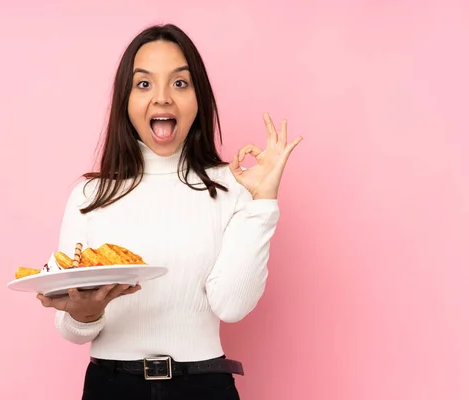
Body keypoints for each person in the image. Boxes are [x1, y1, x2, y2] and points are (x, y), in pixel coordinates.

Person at [36, 23, 302, 400]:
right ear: (125, 100)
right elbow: (71, 328)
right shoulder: (90, 194)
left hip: (205, 386)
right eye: (144, 84)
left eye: (180, 83)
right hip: (112, 387)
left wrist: (261, 205)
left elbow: (233, 305)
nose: (163, 98)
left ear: (199, 98)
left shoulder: (232, 186)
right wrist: (85, 313)